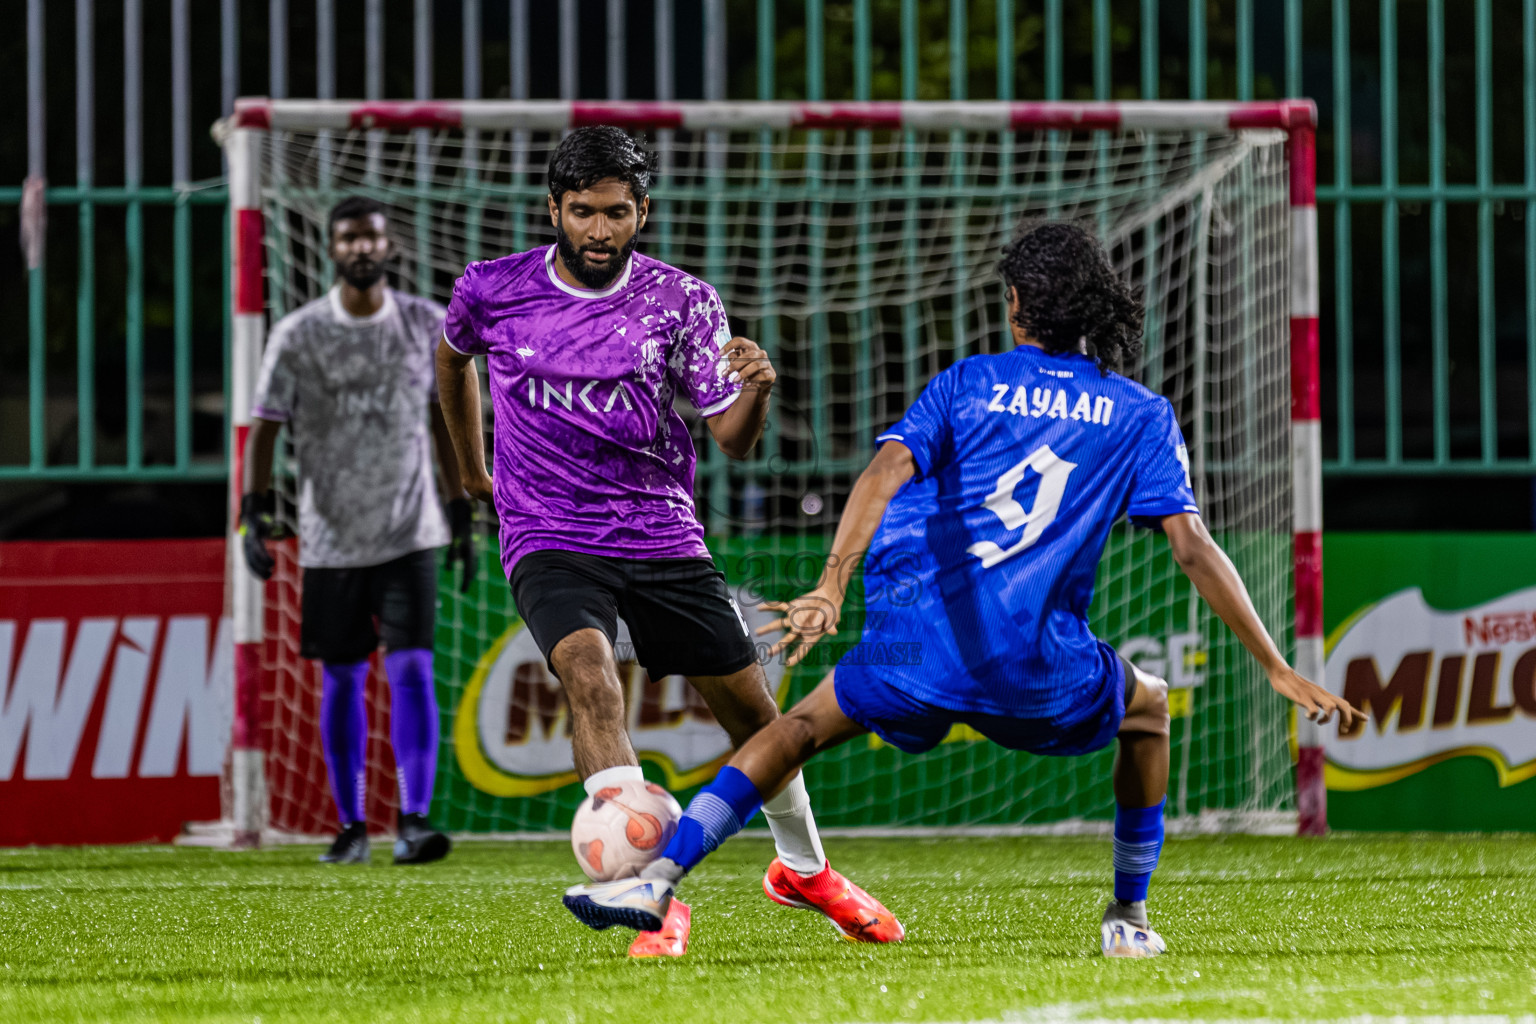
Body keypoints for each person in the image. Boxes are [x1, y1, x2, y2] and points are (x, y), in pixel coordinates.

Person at [562, 221, 1364, 957]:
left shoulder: (969, 383)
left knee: (793, 731)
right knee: (1148, 708)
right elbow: (1192, 548)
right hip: (1038, 670)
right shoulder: (1140, 414)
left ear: (1016, 305)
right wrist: (1274, 665)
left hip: (920, 651)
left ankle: (657, 878)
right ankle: (1128, 916)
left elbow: (885, 471)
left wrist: (832, 586)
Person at [435, 126, 900, 957]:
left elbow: (732, 439)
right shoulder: (492, 288)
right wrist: (474, 472)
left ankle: (804, 869)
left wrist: (757, 391)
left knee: (756, 718)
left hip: (658, 531)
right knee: (588, 677)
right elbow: (451, 359)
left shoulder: (681, 301)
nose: (599, 230)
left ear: (642, 212)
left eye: (616, 213)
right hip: (548, 530)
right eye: (583, 212)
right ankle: (645, 890)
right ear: (554, 209)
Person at [241, 195, 475, 866]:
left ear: (388, 245)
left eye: (371, 236)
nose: (361, 248)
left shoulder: (424, 324)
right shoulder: (299, 334)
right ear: (332, 247)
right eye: (349, 238)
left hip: (411, 531)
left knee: (412, 669)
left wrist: (460, 510)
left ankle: (414, 821)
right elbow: (264, 426)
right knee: (341, 679)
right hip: (330, 539)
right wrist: (252, 511)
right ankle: (350, 829)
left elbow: (445, 421)